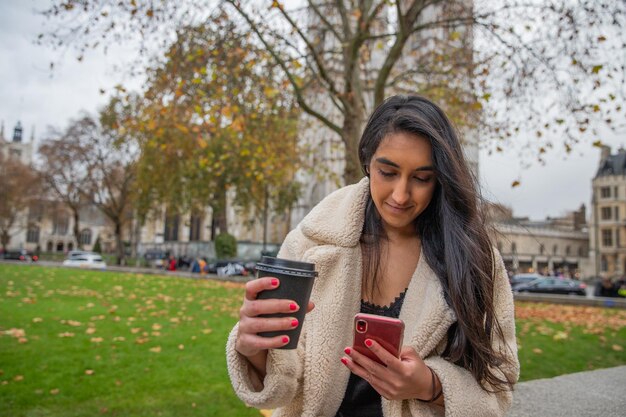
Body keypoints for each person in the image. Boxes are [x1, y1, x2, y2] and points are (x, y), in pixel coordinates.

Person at [226, 95, 519, 417]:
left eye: (422, 178)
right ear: (367, 161)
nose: (400, 195)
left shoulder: (475, 261)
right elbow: (281, 389)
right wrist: (253, 349)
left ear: (441, 177)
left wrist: (431, 386)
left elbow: (499, 391)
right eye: (388, 172)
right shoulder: (310, 242)